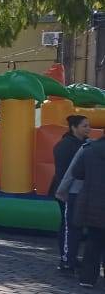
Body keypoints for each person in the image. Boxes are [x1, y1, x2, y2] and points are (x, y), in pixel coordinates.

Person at [59, 135, 105, 288]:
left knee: (93, 240)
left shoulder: (89, 149)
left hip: (93, 201)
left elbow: (77, 173)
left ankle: (87, 279)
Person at [51, 115, 92, 271]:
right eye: (84, 126)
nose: (88, 128)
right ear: (74, 127)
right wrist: (65, 191)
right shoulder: (65, 146)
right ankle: (66, 258)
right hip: (67, 191)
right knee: (68, 226)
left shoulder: (84, 144)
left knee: (74, 225)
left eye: (88, 125)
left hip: (77, 191)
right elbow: (63, 173)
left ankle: (70, 257)